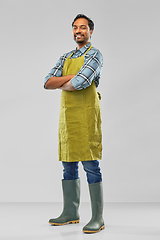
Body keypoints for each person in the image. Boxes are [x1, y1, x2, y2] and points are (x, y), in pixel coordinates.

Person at [44, 14, 104, 234]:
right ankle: (70, 211)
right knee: (68, 164)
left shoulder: (95, 55)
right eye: (75, 27)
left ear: (90, 31)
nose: (78, 31)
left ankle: (98, 217)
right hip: (68, 118)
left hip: (87, 117)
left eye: (83, 27)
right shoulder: (65, 56)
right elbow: (47, 83)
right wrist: (69, 77)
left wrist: (66, 80)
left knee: (91, 165)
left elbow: (80, 83)